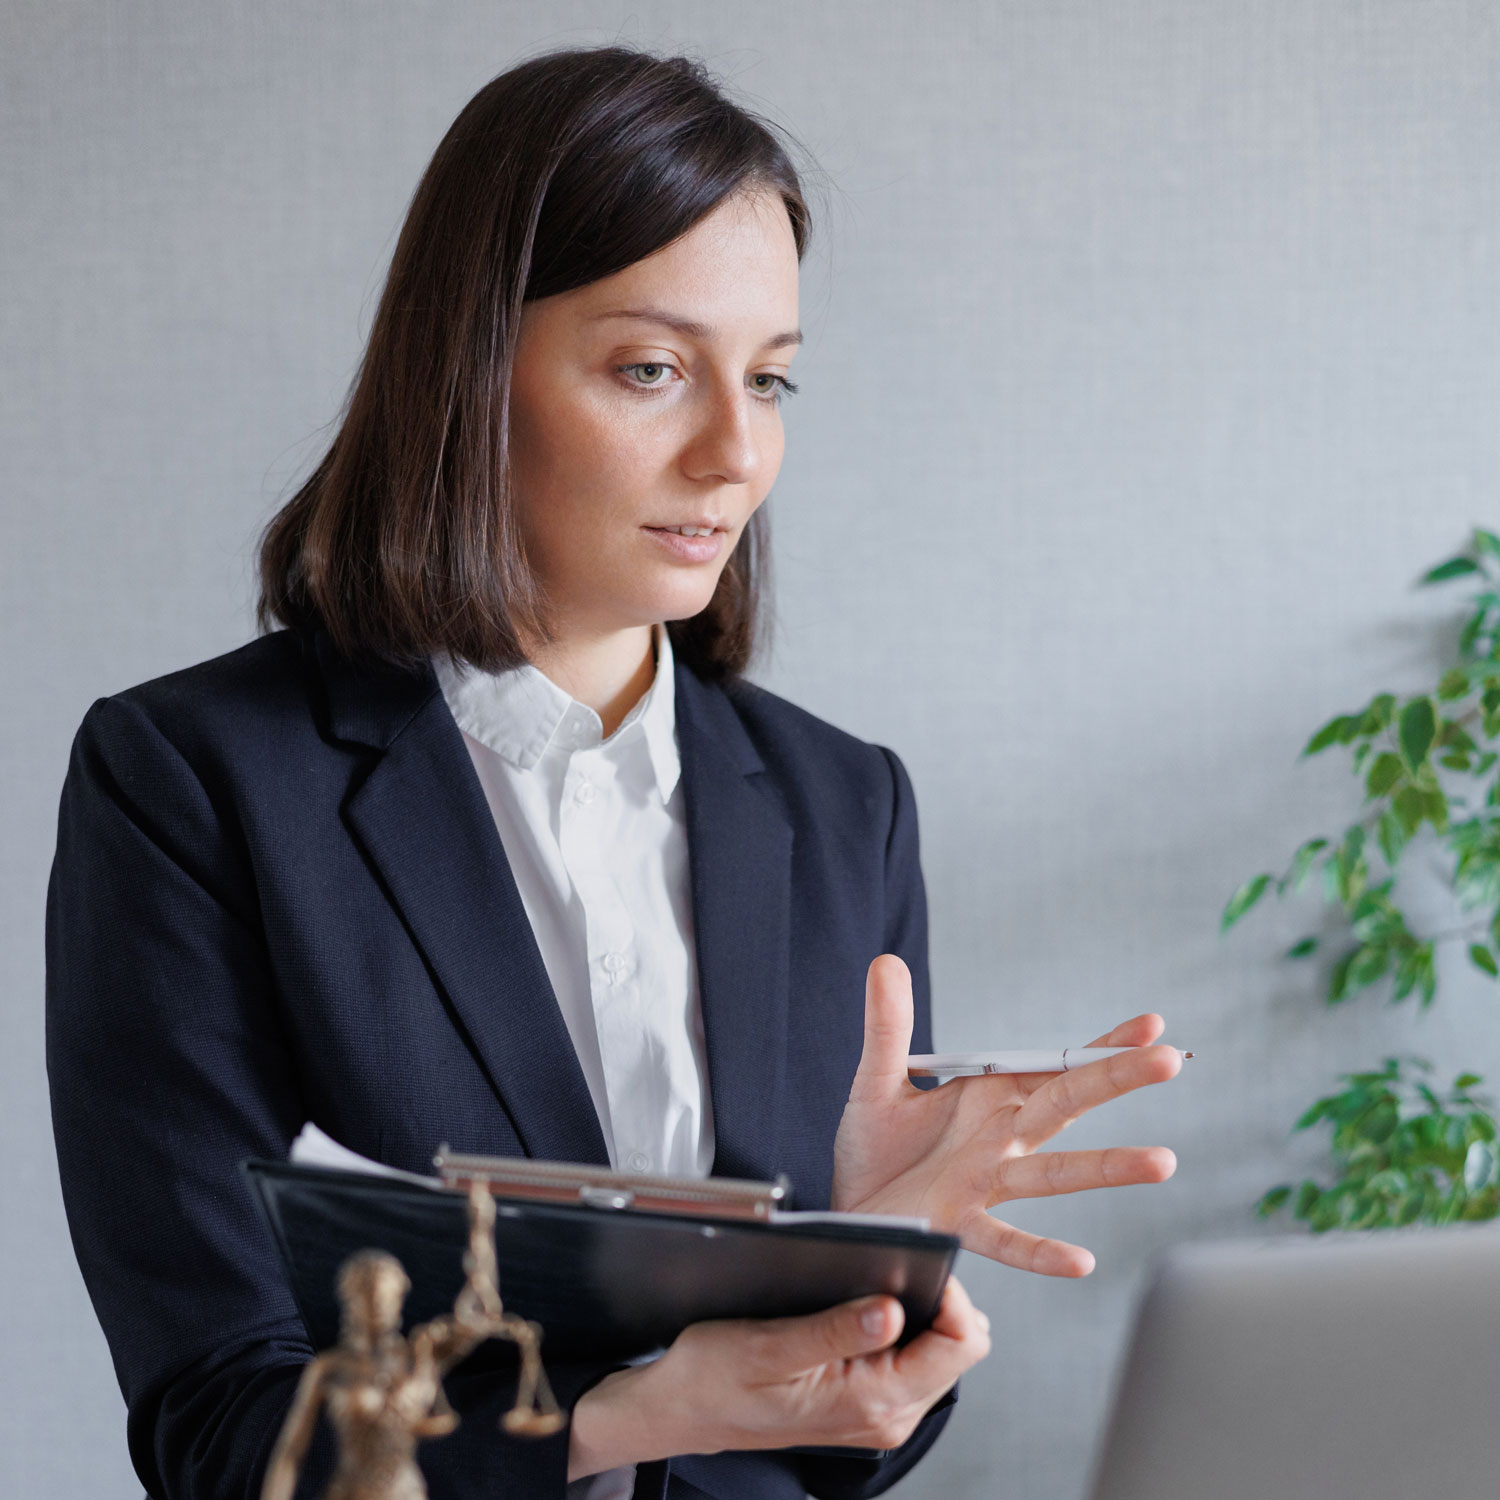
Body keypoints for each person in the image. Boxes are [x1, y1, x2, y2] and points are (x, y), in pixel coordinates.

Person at [45, 44, 1182, 1500]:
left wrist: (870, 1280)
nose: (734, 453)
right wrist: (619, 1413)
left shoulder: (845, 807)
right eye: (652, 369)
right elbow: (219, 1426)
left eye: (769, 381)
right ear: (468, 369)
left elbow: (825, 1456)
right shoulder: (195, 784)